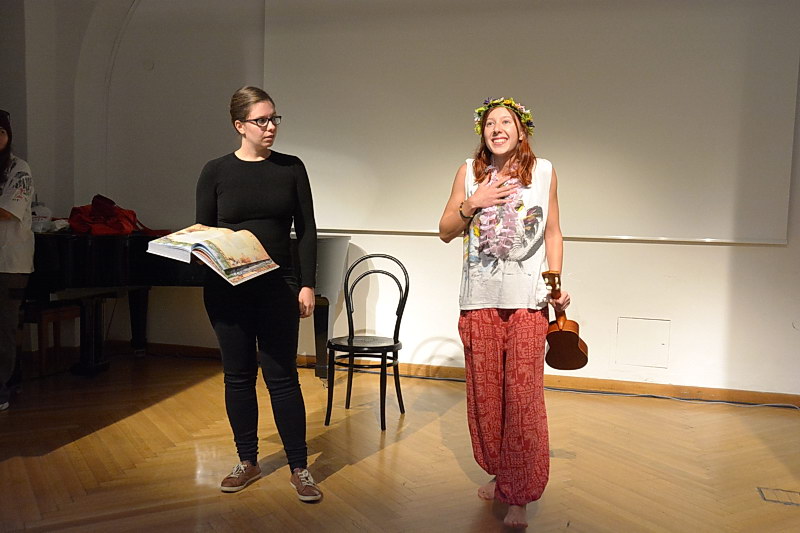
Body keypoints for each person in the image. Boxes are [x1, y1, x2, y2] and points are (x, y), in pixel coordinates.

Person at [438, 97, 570, 528]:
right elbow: (444, 231)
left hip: (528, 302)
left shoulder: (544, 171)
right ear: (483, 132)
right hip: (478, 300)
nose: (497, 129)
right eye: (490, 123)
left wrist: (555, 285)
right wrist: (473, 202)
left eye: (506, 122)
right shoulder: (468, 172)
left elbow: (553, 232)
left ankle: (520, 494)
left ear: (521, 130)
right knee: (486, 397)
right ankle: (502, 474)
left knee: (523, 397)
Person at [195, 86, 321, 501]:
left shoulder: (291, 168)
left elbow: (307, 230)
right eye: (261, 120)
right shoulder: (215, 171)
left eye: (273, 119)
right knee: (238, 376)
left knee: (282, 377)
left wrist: (306, 283)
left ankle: (300, 467)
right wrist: (194, 251)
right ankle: (247, 461)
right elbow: (203, 230)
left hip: (277, 288)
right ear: (239, 125)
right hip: (227, 289)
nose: (270, 127)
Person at [0, 109, 34, 412]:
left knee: (5, 327)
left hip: (10, 263)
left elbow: (8, 211)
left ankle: (2, 388)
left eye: (1, 132)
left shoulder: (18, 168)